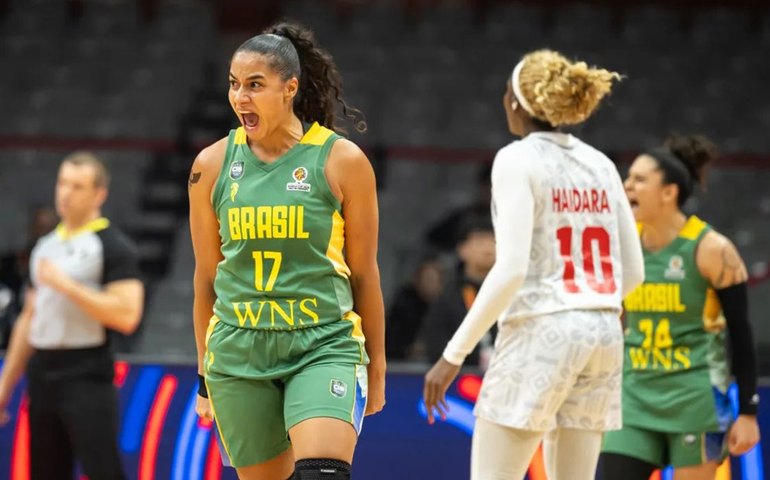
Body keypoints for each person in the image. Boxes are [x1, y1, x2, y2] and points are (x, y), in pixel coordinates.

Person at [422, 49, 645, 480]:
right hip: (602, 330)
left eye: (507, 90)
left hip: (543, 329)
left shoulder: (516, 158)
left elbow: (511, 269)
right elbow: (632, 271)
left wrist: (453, 355)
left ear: (518, 102)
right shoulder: (601, 164)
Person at [188, 23, 386, 480]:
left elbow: (364, 276)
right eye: (234, 84)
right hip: (239, 351)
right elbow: (205, 280)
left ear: (290, 88)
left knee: (322, 474)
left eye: (255, 85)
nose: (241, 97)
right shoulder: (211, 166)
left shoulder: (343, 161)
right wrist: (202, 379)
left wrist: (376, 369)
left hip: (322, 343)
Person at [600, 135, 761, 480]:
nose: (627, 185)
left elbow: (741, 333)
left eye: (640, 179)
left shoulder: (712, 249)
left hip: (695, 399)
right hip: (635, 396)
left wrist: (747, 412)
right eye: (628, 178)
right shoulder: (623, 244)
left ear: (669, 193)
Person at [0, 152, 144, 480]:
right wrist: (5, 388)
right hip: (43, 374)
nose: (65, 192)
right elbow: (29, 318)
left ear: (99, 194)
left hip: (86, 374)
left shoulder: (113, 245)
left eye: (77, 186)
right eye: (63, 183)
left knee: (103, 471)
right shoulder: (44, 245)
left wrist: (66, 285)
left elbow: (127, 315)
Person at [413, 215, 496, 367]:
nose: (488, 247)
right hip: (460, 381)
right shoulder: (447, 298)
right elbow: (436, 347)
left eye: (493, 240)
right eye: (479, 240)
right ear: (462, 249)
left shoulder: (511, 293)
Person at [385, 253, 443, 360]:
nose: (432, 284)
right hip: (401, 364)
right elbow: (391, 340)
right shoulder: (403, 307)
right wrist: (409, 348)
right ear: (417, 281)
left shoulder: (446, 307)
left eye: (436, 280)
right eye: (429, 279)